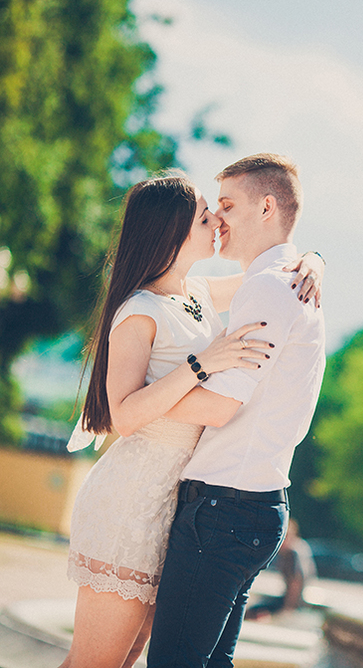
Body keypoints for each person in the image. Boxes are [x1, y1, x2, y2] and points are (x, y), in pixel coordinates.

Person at [59, 171, 323, 668]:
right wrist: (201, 365)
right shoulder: (140, 310)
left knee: (128, 658)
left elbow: (271, 276)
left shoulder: (197, 293)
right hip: (133, 500)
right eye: (206, 217)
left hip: (177, 503)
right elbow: (123, 415)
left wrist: (314, 260)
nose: (218, 221)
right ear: (173, 232)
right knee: (95, 662)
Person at [146, 153, 327, 667]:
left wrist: (137, 401)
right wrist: (316, 256)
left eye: (227, 205)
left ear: (267, 207)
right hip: (247, 504)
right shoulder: (281, 280)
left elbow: (221, 406)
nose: (217, 218)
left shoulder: (271, 286)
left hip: (225, 507)